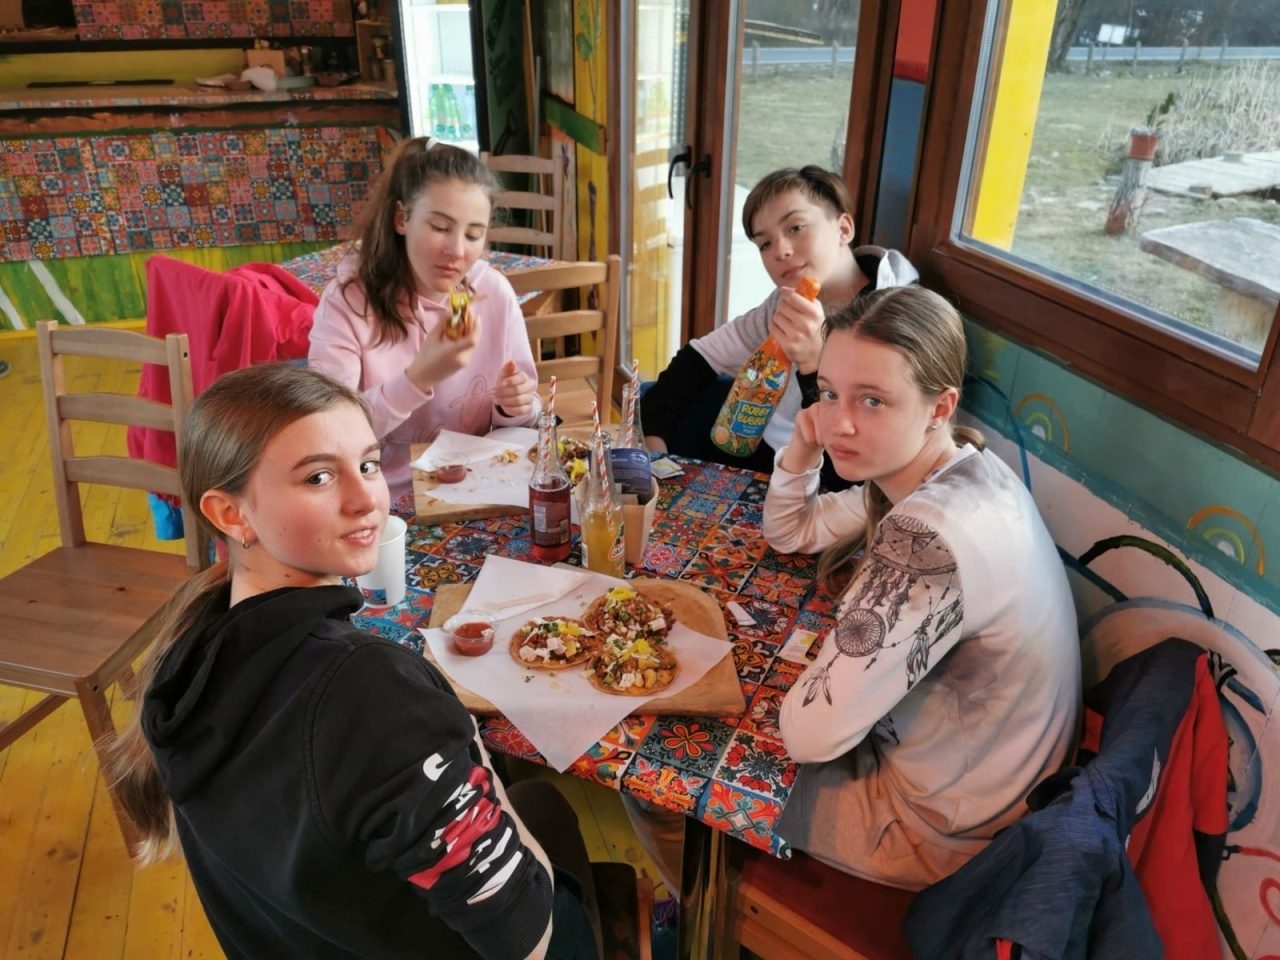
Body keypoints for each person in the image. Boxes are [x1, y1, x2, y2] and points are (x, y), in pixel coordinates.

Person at [106, 363, 600, 959]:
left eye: (367, 465)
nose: (367, 498)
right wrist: (475, 757)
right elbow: (529, 940)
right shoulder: (374, 693)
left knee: (542, 804)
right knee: (549, 812)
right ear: (232, 514)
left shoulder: (186, 653)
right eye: (318, 477)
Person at [762, 285, 1081, 889]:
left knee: (679, 775)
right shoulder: (961, 467)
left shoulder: (929, 534)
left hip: (943, 830)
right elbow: (790, 532)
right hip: (990, 779)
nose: (839, 423)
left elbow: (808, 734)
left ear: (939, 407)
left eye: (873, 400)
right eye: (828, 393)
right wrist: (803, 445)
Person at [640, 165, 917, 486]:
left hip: (827, 476)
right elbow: (697, 360)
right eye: (765, 244)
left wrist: (813, 364)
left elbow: (851, 464)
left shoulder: (895, 321)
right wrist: (655, 452)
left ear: (843, 229)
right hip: (766, 450)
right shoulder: (783, 304)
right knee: (648, 404)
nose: (781, 251)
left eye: (796, 227)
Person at [309, 137, 540, 499]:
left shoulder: (492, 292)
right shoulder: (347, 303)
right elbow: (329, 435)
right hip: (384, 497)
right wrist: (418, 378)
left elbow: (528, 412)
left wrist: (515, 405)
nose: (457, 250)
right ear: (402, 218)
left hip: (481, 485)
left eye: (473, 234)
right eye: (440, 227)